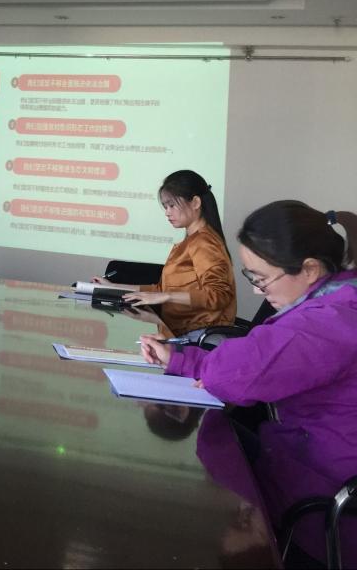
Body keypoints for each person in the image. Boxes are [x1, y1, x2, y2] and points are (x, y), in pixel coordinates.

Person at [140, 200, 357, 500]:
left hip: (322, 481)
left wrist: (199, 366)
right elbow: (254, 361)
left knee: (206, 458)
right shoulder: (341, 298)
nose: (257, 290)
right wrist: (182, 360)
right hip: (316, 452)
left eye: (261, 279)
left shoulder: (324, 322)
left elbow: (238, 373)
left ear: (309, 269)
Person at [96, 169, 236, 335]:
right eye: (165, 207)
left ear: (195, 202)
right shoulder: (191, 241)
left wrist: (167, 296)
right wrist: (114, 287)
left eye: (172, 205)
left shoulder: (204, 243)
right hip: (180, 329)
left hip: (196, 334)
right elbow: (160, 290)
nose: (167, 212)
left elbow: (219, 295)